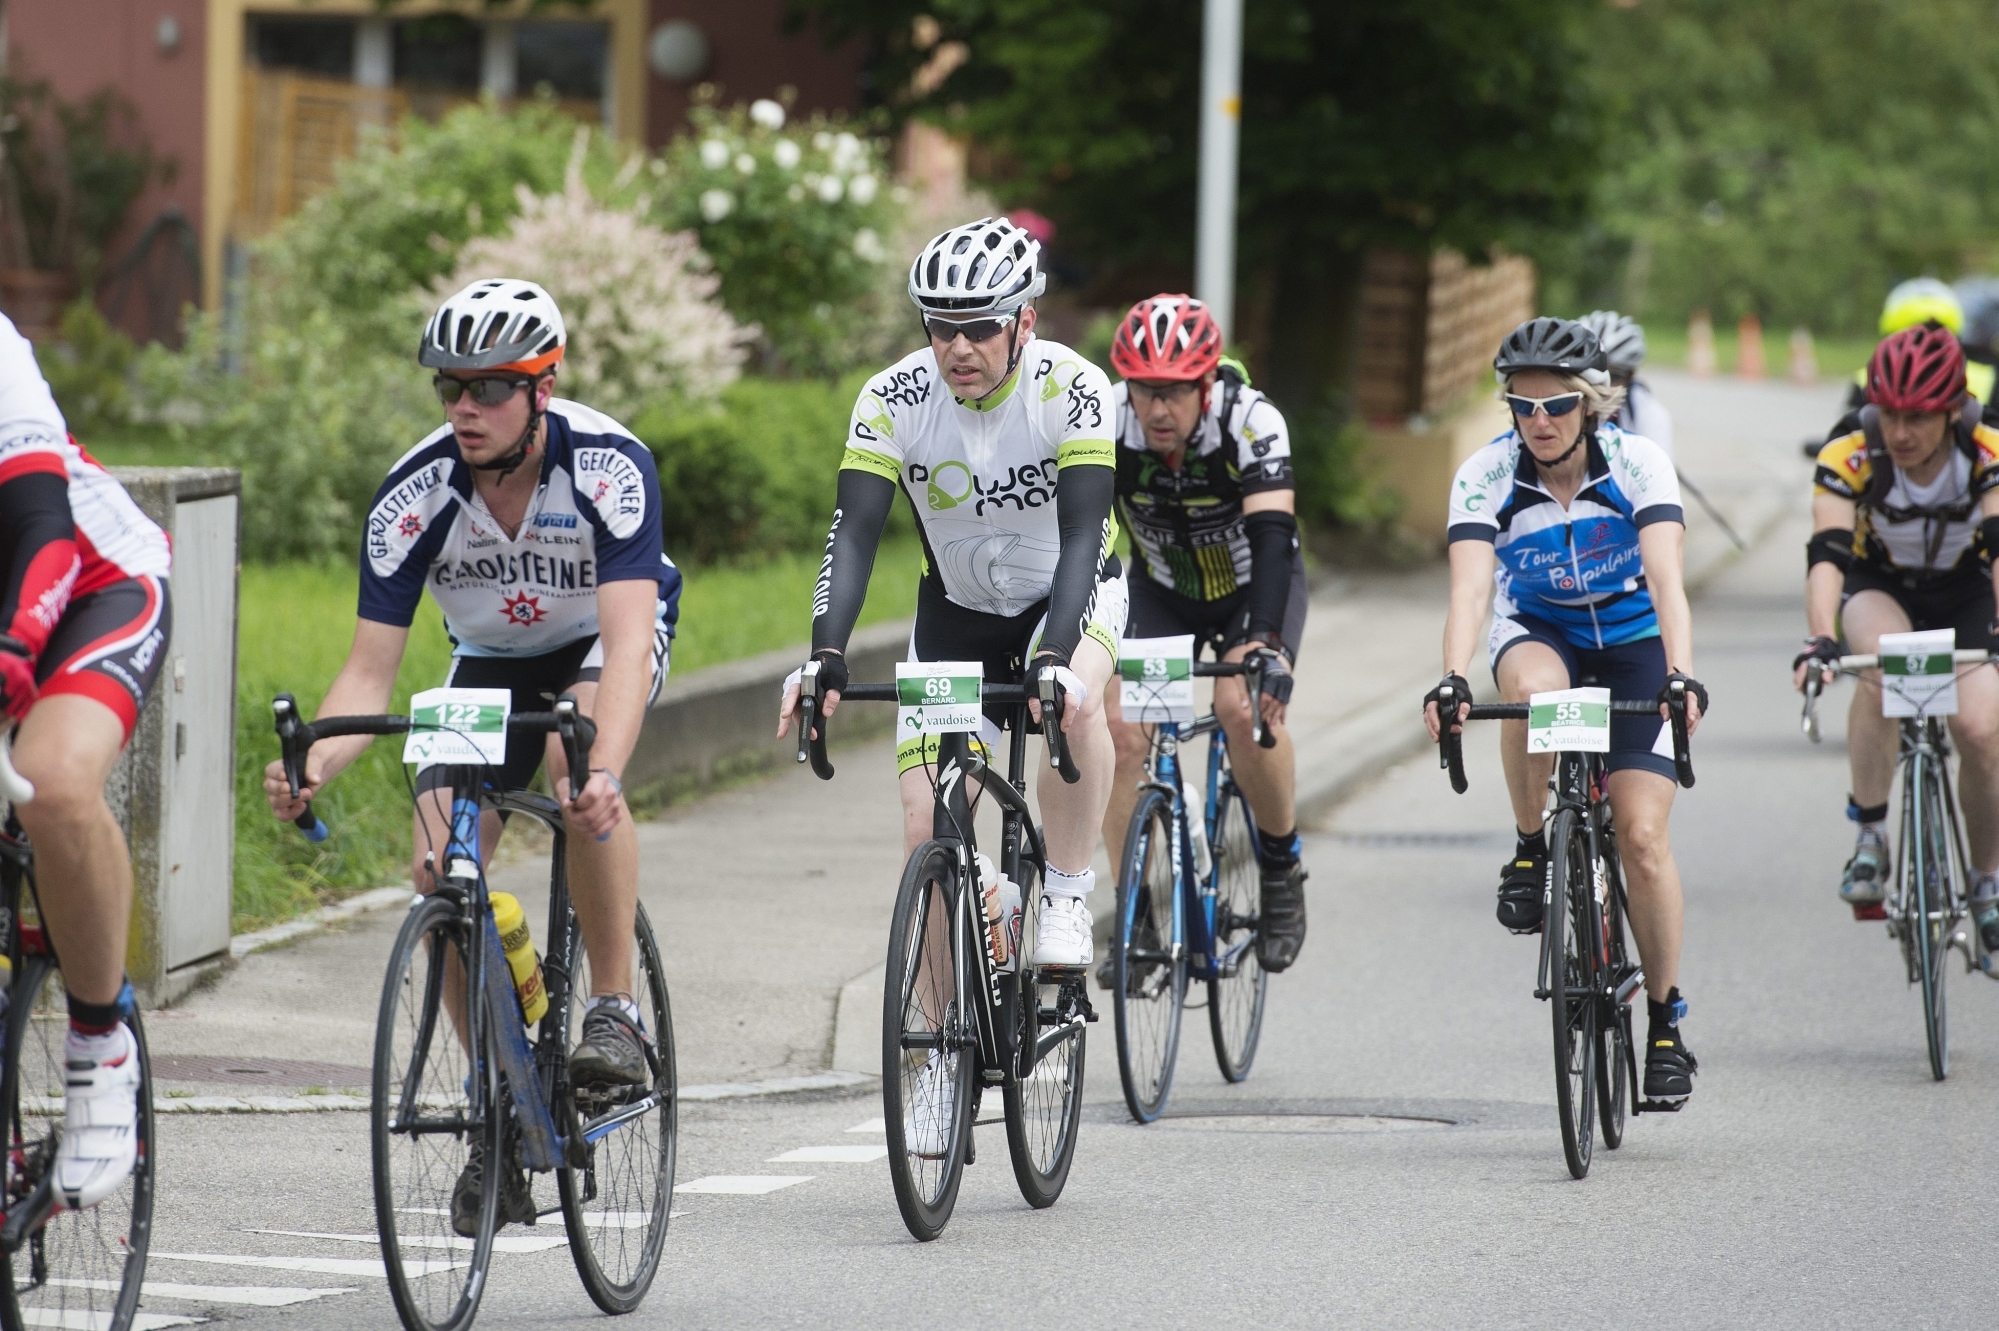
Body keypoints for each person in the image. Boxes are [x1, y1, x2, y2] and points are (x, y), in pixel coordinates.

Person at [261, 279, 680, 1233]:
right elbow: (370, 673)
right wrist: (311, 770)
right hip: (485, 661)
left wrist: (606, 767)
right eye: (451, 386)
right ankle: (501, 1092)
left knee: (579, 783)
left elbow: (626, 638)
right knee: (435, 868)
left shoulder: (610, 467)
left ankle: (613, 1010)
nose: (465, 407)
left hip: (595, 648)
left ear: (542, 387)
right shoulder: (414, 497)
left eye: (490, 389)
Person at [777, 215, 1126, 981]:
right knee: (924, 829)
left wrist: (1059, 656)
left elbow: (1082, 534)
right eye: (940, 327)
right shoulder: (891, 396)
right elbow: (855, 533)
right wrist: (825, 653)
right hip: (955, 615)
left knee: (1073, 701)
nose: (957, 348)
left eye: (978, 328)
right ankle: (938, 1051)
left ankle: (1066, 890)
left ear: (1024, 321)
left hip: (1067, 599)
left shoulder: (1074, 387)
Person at [1423, 316, 1706, 1111]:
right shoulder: (1485, 475)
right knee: (1538, 698)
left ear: (1590, 405)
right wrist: (1449, 677)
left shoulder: (1637, 463)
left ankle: (1662, 1024)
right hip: (1540, 630)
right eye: (1522, 405)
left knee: (1643, 839)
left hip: (1632, 642)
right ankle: (1527, 848)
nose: (1538, 422)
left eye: (1555, 406)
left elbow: (1666, 578)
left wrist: (1680, 674)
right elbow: (1470, 591)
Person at [0, 314, 170, 1210]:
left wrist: (16, 645)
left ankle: (101, 1044)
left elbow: (42, 532)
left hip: (88, 589)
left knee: (52, 783)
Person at [1097, 294, 1308, 971]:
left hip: (1252, 591)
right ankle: (1139, 910)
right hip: (1161, 591)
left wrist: (1268, 644)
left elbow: (1275, 541)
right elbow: (1079, 537)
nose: (1158, 410)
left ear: (1206, 384)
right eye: (1145, 392)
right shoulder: (1104, 421)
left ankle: (1279, 867)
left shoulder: (1252, 421)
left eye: (1175, 392)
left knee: (1241, 706)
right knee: (1119, 725)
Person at [1793, 324, 1999, 940]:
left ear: (1952, 410)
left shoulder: (1986, 447)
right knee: (1883, 672)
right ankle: (1872, 835)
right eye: (1890, 415)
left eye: (1919, 418)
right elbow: (1828, 553)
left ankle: (1987, 879)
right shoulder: (1850, 451)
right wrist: (1818, 639)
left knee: (1981, 729)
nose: (1901, 433)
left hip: (1964, 590)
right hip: (1880, 583)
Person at [1579, 309, 1673, 460]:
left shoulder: (1647, 413)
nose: (1600, 385)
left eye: (1614, 376)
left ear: (1629, 377)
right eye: (1589, 374)